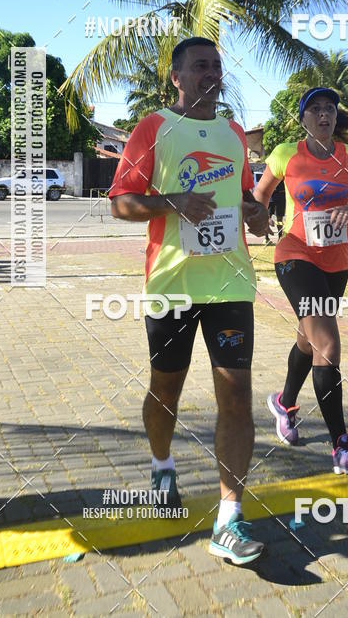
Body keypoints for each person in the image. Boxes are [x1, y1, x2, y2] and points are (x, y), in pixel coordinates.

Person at [109, 37, 270, 565]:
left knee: (237, 395)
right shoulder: (155, 128)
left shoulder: (234, 134)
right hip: (172, 284)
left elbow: (244, 197)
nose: (212, 74)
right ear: (176, 77)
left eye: (218, 67)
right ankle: (162, 465)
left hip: (230, 284)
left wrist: (256, 213)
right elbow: (122, 203)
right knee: (165, 393)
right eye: (201, 66)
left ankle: (229, 518)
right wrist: (173, 202)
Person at [253, 88, 348, 474]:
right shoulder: (285, 154)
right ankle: (341, 447)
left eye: (330, 109)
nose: (324, 115)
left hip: (336, 263)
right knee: (327, 343)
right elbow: (260, 200)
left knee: (309, 340)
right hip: (294, 255)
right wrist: (252, 221)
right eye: (316, 110)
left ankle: (284, 402)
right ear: (303, 118)